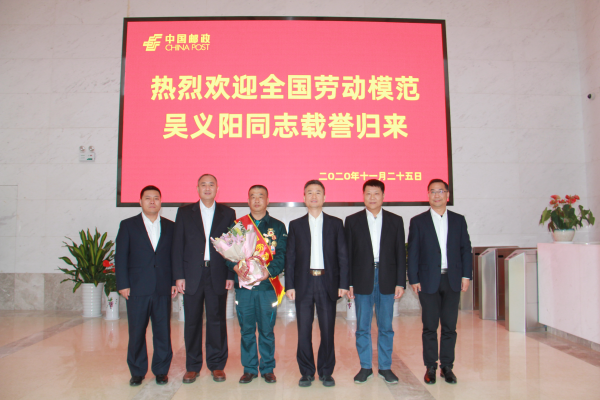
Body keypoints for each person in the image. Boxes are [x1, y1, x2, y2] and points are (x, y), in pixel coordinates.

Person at [172, 174, 236, 384]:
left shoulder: (228, 213)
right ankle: (192, 366)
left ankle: (217, 365)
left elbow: (232, 247)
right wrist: (179, 276)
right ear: (197, 188)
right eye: (203, 185)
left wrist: (230, 274)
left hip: (217, 274)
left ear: (217, 188)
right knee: (192, 322)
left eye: (211, 184)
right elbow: (177, 246)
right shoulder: (184, 212)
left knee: (217, 321)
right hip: (192, 275)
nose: (207, 188)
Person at [407, 179, 472, 385]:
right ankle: (430, 367)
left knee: (450, 326)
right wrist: (413, 278)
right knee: (429, 326)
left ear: (447, 195)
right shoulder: (418, 221)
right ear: (428, 195)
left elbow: (465, 249)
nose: (437, 195)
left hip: (452, 279)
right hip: (427, 281)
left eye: (440, 191)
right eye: (433, 191)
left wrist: (466, 276)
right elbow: (413, 252)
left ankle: (447, 366)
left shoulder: (458, 220)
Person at [285, 180, 349, 388]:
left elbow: (343, 256)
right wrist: (289, 285)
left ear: (324, 197)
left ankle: (326, 371)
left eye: (318, 192)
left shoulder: (335, 223)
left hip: (327, 282)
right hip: (303, 283)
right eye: (310, 193)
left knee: (327, 330)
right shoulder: (295, 225)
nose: (314, 196)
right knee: (303, 331)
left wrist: (343, 283)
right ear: (304, 198)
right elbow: (290, 258)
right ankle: (306, 372)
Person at [345, 179, 406, 384]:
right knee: (362, 326)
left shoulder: (395, 220)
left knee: (386, 327)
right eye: (368, 194)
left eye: (376, 193)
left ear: (383, 196)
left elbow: (400, 253)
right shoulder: (352, 221)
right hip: (362, 279)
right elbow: (348, 255)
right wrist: (349, 283)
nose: (372, 197)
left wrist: (400, 282)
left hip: (387, 278)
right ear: (363, 196)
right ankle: (365, 367)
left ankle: (385, 367)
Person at [115, 185, 177, 386]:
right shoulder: (128, 225)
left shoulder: (170, 226)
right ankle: (137, 371)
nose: (152, 201)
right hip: (136, 288)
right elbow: (121, 257)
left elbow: (174, 257)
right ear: (140, 201)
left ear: (161, 202)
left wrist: (174, 281)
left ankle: (161, 370)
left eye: (156, 198)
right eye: (148, 198)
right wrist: (123, 284)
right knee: (136, 332)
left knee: (162, 332)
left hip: (162, 287)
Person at [227, 185, 287, 384]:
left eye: (261, 196)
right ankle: (250, 369)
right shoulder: (238, 225)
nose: (257, 200)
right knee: (246, 330)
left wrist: (267, 272)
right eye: (252, 196)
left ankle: (268, 368)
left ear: (267, 200)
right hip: (244, 289)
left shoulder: (278, 226)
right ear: (248, 200)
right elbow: (227, 254)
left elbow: (282, 255)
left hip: (267, 288)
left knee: (267, 330)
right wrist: (235, 267)